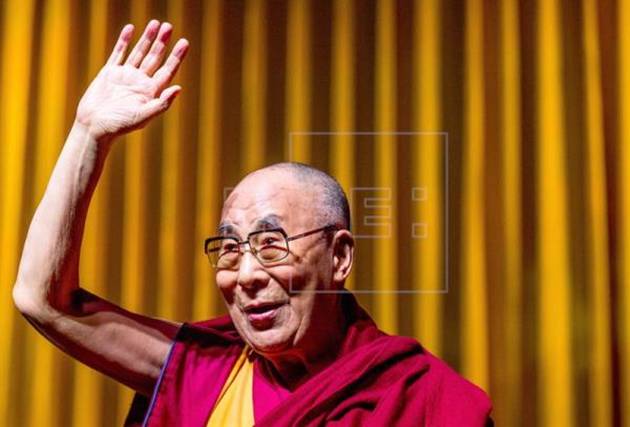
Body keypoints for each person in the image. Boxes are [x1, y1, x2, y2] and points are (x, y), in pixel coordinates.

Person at [12, 21, 492, 426]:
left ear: (340, 256)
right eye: (230, 250)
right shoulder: (206, 367)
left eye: (270, 245)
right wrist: (89, 135)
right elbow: (43, 300)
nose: (245, 276)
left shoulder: (419, 396)